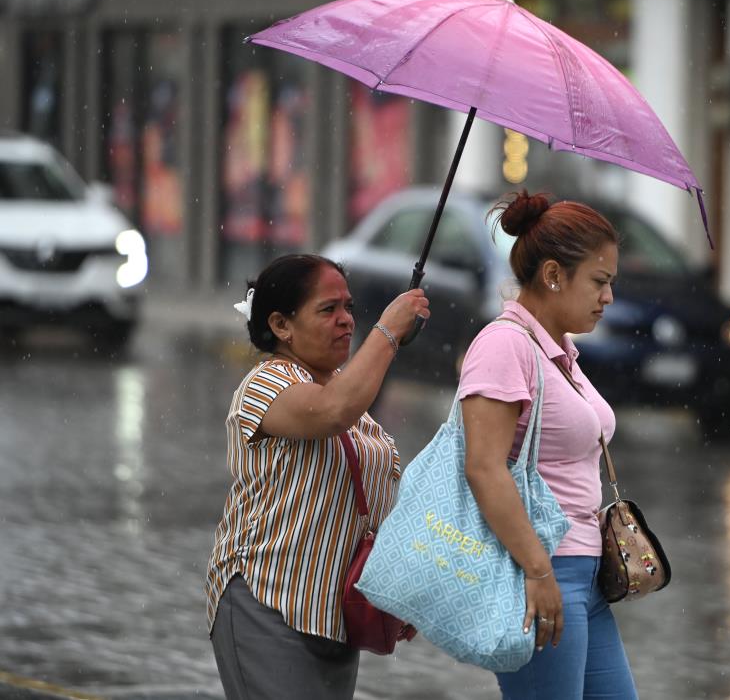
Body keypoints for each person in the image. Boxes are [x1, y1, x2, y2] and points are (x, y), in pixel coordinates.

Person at [204, 253, 429, 700]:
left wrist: (395, 589)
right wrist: (387, 331)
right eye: (328, 310)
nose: (345, 321)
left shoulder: (344, 385)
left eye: (349, 308)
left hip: (333, 616)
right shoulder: (266, 382)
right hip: (268, 604)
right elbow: (331, 413)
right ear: (281, 325)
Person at [458, 191, 639, 699]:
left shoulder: (559, 351)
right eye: (600, 283)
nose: (608, 298)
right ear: (554, 274)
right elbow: (483, 467)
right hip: (540, 574)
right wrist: (537, 571)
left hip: (584, 576)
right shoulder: (504, 345)